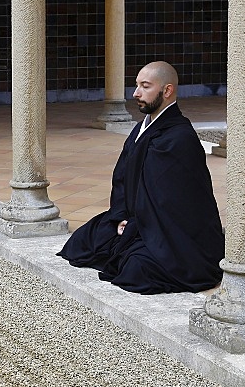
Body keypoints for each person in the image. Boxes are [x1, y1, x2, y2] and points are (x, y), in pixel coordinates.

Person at [57, 61, 224, 294]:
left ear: (167, 91)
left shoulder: (179, 137)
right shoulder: (141, 128)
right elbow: (122, 179)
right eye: (136, 85)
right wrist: (120, 217)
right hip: (136, 217)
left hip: (171, 230)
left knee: (138, 271)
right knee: (83, 240)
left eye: (145, 86)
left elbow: (173, 201)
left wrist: (136, 224)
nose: (136, 93)